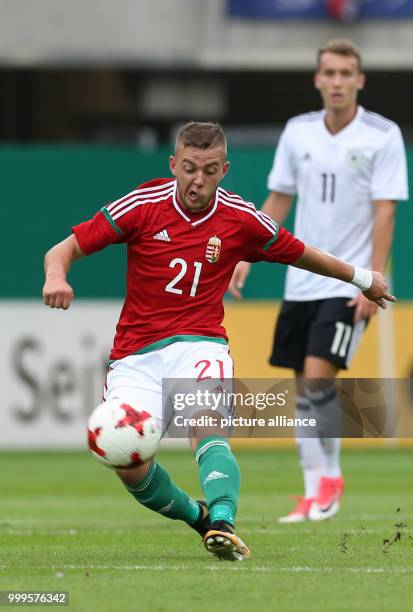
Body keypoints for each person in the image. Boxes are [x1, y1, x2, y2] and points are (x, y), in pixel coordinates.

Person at [43, 121, 395, 561]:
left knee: (207, 424)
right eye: (189, 168)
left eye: (209, 170)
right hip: (135, 356)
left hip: (200, 343)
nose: (198, 180)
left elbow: (300, 252)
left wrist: (362, 278)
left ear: (224, 169)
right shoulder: (143, 204)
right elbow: (62, 249)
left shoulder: (241, 219)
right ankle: (201, 518)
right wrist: (57, 276)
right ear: (173, 164)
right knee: (126, 462)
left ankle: (225, 521)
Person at [229, 39, 409, 523]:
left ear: (360, 80)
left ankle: (327, 485)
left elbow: (385, 211)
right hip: (301, 282)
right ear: (317, 79)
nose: (336, 82)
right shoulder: (298, 132)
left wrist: (371, 278)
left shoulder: (382, 135)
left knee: (315, 379)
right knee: (304, 389)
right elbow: (278, 199)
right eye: (328, 73)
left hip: (349, 282)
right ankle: (314, 490)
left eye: (345, 74)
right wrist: (245, 252)